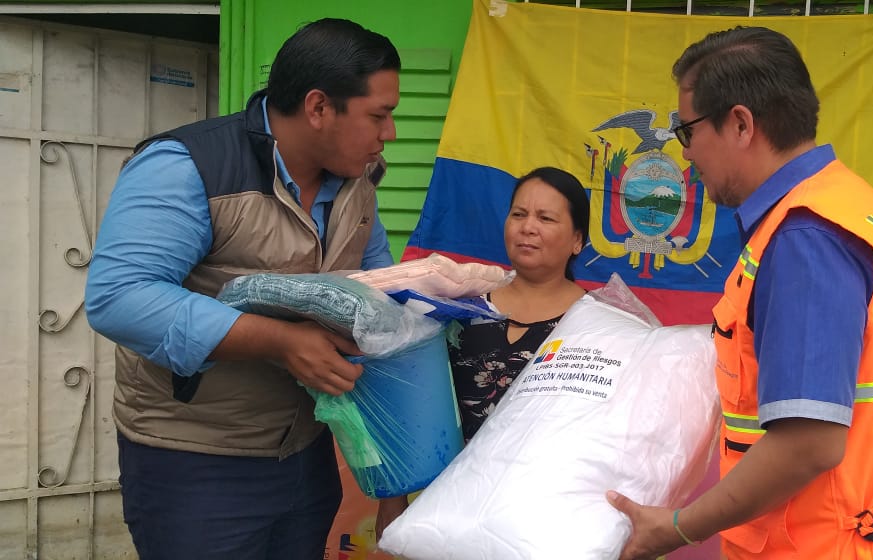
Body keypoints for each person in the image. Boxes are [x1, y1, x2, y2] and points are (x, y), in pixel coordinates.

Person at [606, 27, 873, 559]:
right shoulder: (847, 201)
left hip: (829, 545)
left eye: (688, 131)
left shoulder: (806, 240)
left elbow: (808, 444)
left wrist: (677, 527)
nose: (687, 155)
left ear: (742, 124)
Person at [84, 19, 402, 560]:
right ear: (319, 107)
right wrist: (280, 341)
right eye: (379, 115)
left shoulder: (357, 181)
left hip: (306, 451)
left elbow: (377, 288)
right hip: (197, 459)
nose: (389, 133)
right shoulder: (189, 166)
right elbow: (119, 296)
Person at [375, 166, 591, 536]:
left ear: (577, 240)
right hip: (450, 516)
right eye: (519, 214)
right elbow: (413, 411)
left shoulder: (597, 325)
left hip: (546, 523)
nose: (528, 226)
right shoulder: (459, 311)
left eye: (546, 218)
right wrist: (393, 503)